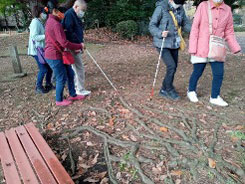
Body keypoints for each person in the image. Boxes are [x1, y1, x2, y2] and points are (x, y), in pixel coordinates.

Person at [187, 0, 241, 107]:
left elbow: (229, 31)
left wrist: (235, 47)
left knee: (219, 73)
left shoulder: (227, 10)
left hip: (217, 48)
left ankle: (215, 97)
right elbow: (195, 28)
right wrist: (192, 48)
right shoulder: (203, 6)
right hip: (201, 47)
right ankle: (191, 91)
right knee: (198, 71)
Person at [44, 0, 85, 106]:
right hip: (53, 55)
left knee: (70, 74)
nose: (63, 15)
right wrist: (79, 45)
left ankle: (73, 94)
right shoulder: (55, 24)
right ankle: (59, 100)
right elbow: (64, 43)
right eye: (61, 12)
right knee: (61, 77)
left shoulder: (52, 21)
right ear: (55, 11)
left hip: (58, 53)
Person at [149, 0, 191, 100]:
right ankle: (169, 89)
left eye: (181, 3)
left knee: (174, 66)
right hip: (162, 43)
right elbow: (152, 25)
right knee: (171, 66)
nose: (179, 5)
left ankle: (163, 89)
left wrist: (195, 30)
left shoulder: (180, 9)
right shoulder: (161, 8)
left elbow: (185, 24)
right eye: (178, 3)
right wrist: (160, 33)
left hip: (175, 43)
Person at [62, 0, 91, 96]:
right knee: (79, 68)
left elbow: (77, 30)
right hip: (73, 46)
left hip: (76, 45)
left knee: (76, 67)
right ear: (76, 7)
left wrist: (81, 41)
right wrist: (78, 44)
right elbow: (69, 32)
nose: (82, 12)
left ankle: (77, 87)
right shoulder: (70, 15)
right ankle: (80, 89)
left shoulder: (75, 15)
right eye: (82, 10)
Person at [28, 6, 54, 94]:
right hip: (36, 51)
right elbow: (34, 37)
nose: (45, 14)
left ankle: (48, 84)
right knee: (43, 69)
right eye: (44, 12)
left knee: (49, 68)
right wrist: (47, 36)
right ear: (39, 12)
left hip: (41, 49)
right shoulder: (35, 22)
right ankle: (38, 87)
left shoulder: (39, 21)